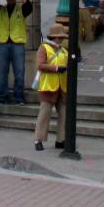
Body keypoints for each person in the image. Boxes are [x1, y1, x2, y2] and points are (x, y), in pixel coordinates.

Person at [0, 0, 33, 104]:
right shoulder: (1, 10)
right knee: (2, 72)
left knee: (19, 72)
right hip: (2, 44)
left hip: (17, 44)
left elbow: (29, 7)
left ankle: (18, 98)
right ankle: (2, 98)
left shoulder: (21, 9)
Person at [34, 23, 69, 151]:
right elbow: (40, 65)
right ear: (54, 37)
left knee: (64, 114)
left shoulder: (64, 51)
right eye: (59, 37)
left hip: (62, 87)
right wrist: (56, 68)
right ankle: (38, 139)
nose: (61, 40)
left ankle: (61, 139)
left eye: (62, 38)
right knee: (44, 114)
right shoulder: (44, 48)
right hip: (48, 86)